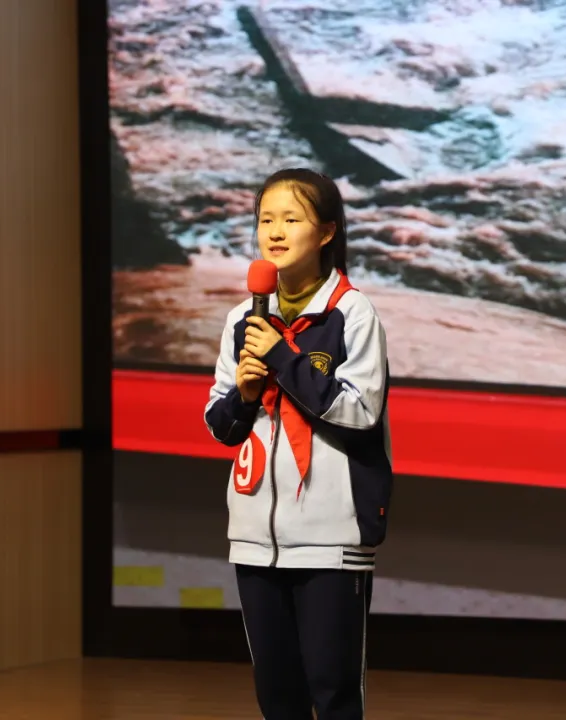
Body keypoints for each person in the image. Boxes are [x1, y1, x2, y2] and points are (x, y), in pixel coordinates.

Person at [203, 168, 393, 720]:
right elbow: (220, 425)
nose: (275, 231)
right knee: (277, 696)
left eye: (291, 218)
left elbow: (360, 412)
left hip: (332, 537)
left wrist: (283, 359)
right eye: (266, 219)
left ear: (327, 231)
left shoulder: (351, 313)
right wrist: (243, 396)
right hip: (254, 537)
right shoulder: (242, 318)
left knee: (333, 692)